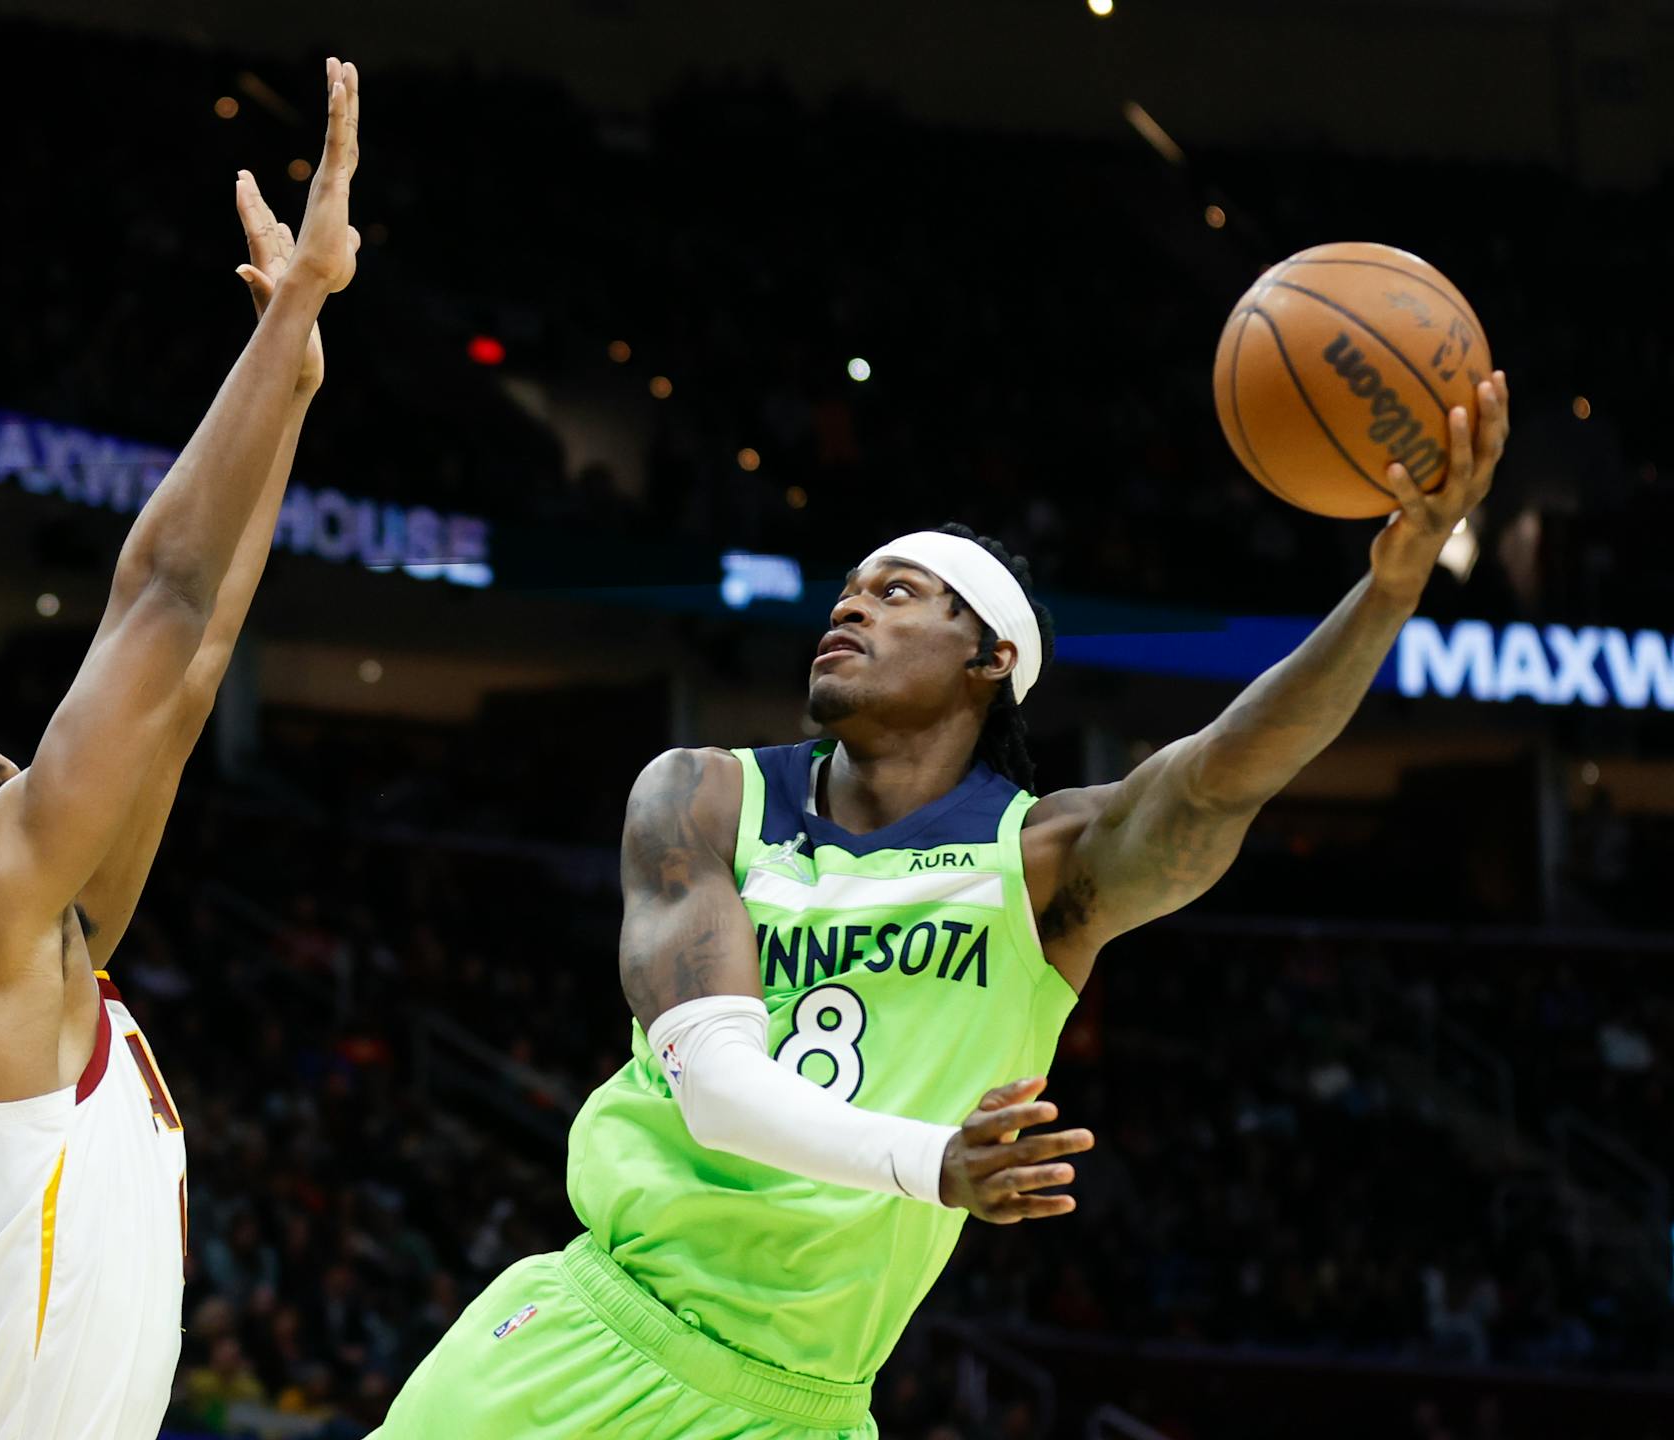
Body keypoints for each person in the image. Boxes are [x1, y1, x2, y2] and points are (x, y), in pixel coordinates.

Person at [378, 380, 1510, 1436]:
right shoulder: (704, 793)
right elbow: (718, 1094)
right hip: (588, 1342)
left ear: (991, 657)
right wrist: (937, 1165)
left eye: (898, 591)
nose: (851, 606)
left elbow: (1226, 772)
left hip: (806, 1405)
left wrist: (1388, 593)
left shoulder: (1048, 865)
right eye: (851, 588)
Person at [0, 59, 362, 1440]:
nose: (37, 783)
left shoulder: (55, 963)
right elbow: (156, 604)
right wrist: (281, 320)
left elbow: (198, 653)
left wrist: (292, 376)